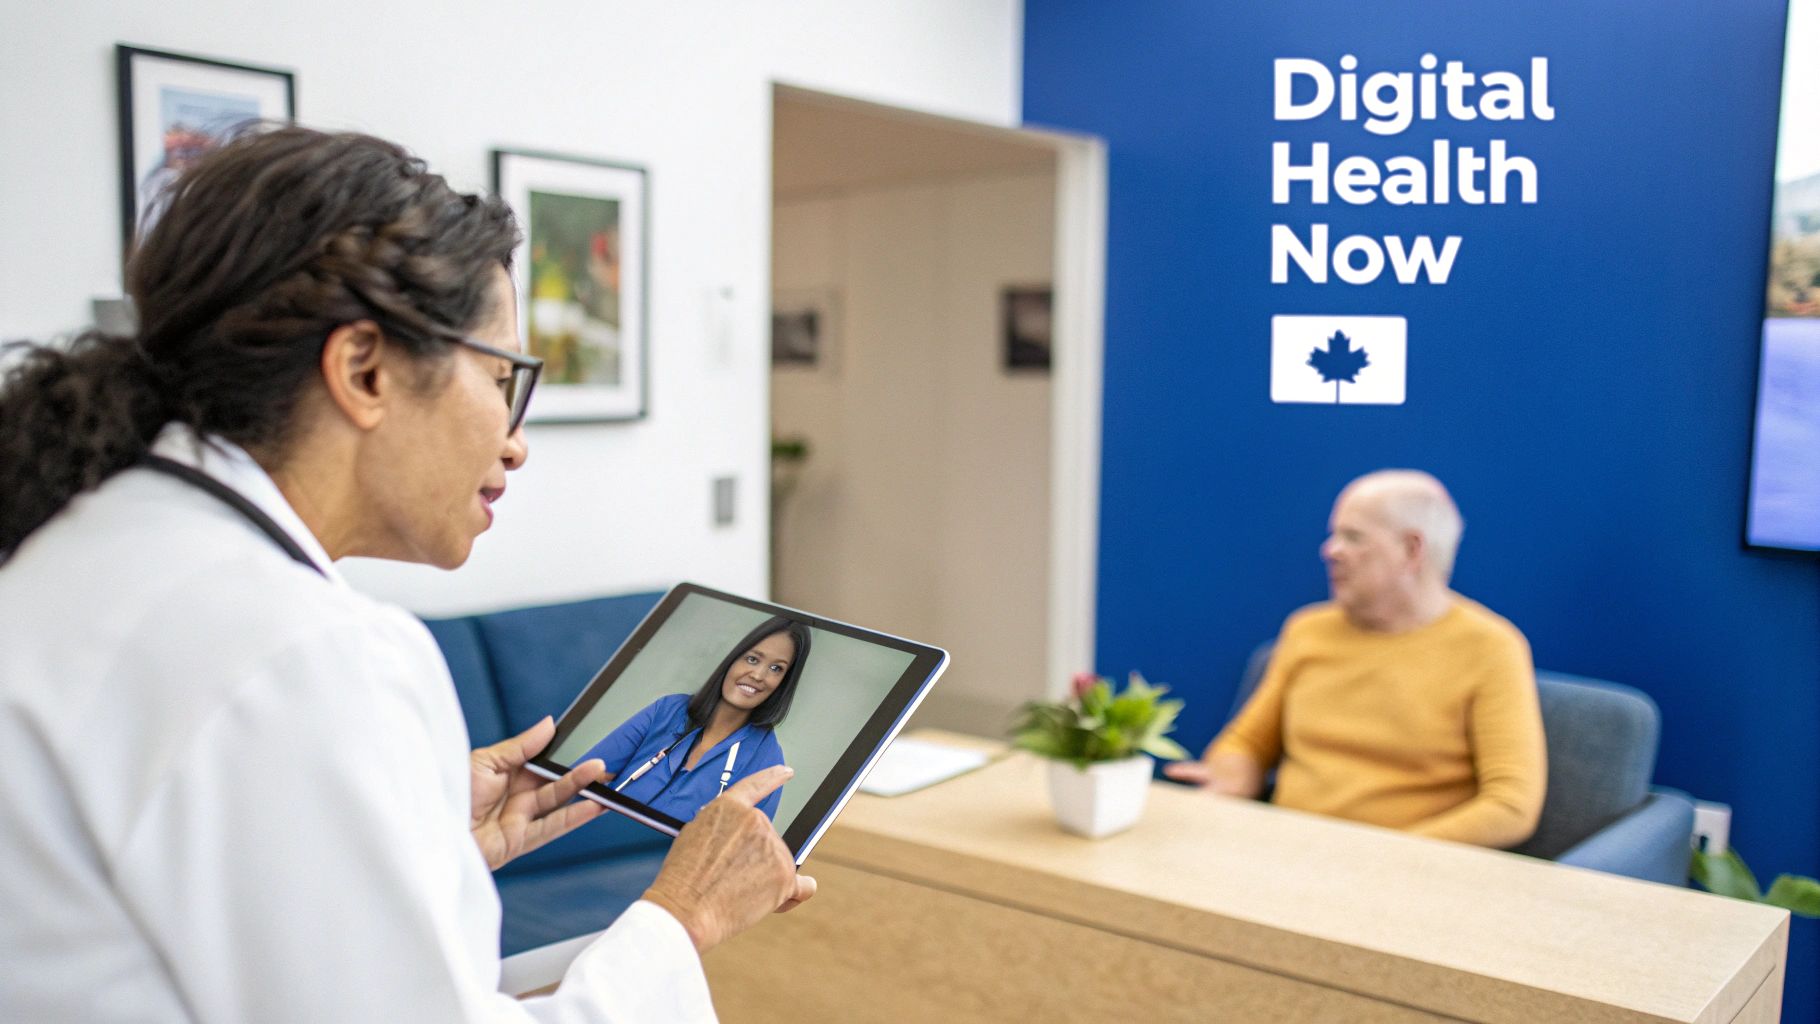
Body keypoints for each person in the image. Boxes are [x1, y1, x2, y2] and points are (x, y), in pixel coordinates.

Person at [0, 126, 810, 1022]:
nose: (516, 441)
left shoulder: (96, 550)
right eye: (503, 378)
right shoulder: (305, 656)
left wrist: (418, 846)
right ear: (365, 368)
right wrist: (677, 922)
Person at [1165, 470, 1547, 849]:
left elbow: (1510, 807)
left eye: (1352, 537)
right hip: (1286, 853)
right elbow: (1247, 742)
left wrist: (1382, 857)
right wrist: (1232, 779)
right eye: (1334, 535)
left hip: (1406, 873)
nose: (1330, 550)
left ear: (1412, 549)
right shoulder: (1307, 630)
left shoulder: (1490, 648)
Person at [583, 617, 809, 823]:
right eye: (752, 659)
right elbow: (580, 780)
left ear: (784, 682)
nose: (759, 675)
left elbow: (741, 854)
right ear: (733, 660)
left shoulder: (766, 760)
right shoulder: (668, 711)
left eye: (776, 668)